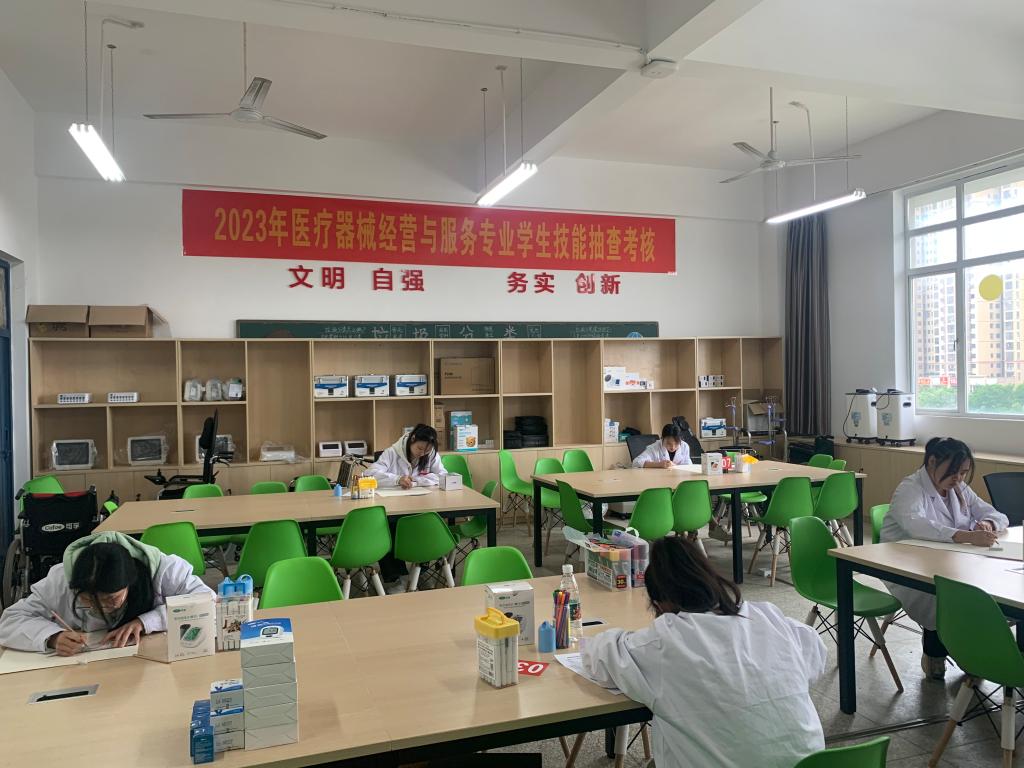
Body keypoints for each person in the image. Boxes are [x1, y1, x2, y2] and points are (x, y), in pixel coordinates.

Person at [581, 536, 826, 768]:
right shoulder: (767, 615)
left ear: (661, 603)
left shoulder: (664, 642)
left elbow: (600, 655)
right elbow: (816, 652)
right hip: (811, 762)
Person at [881, 436, 1009, 679]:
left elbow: (997, 514)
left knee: (979, 591)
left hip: (951, 557)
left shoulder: (959, 488)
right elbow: (916, 525)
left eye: (963, 472)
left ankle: (975, 653)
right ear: (932, 462)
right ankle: (935, 651)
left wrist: (987, 523)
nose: (958, 478)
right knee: (942, 596)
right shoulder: (910, 488)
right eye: (953, 472)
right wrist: (965, 536)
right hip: (905, 563)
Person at [0, 531, 214, 655]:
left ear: (131, 582)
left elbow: (208, 602)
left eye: (112, 599)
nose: (101, 608)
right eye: (88, 600)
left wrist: (146, 621)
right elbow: (11, 619)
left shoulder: (164, 570)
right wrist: (52, 637)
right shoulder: (61, 579)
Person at [365, 424, 447, 488]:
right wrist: (397, 479)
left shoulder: (432, 454)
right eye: (420, 448)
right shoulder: (392, 453)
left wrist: (416, 481)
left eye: (427, 451)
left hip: (423, 498)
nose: (422, 454)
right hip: (395, 499)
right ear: (413, 439)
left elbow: (443, 476)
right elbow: (370, 475)